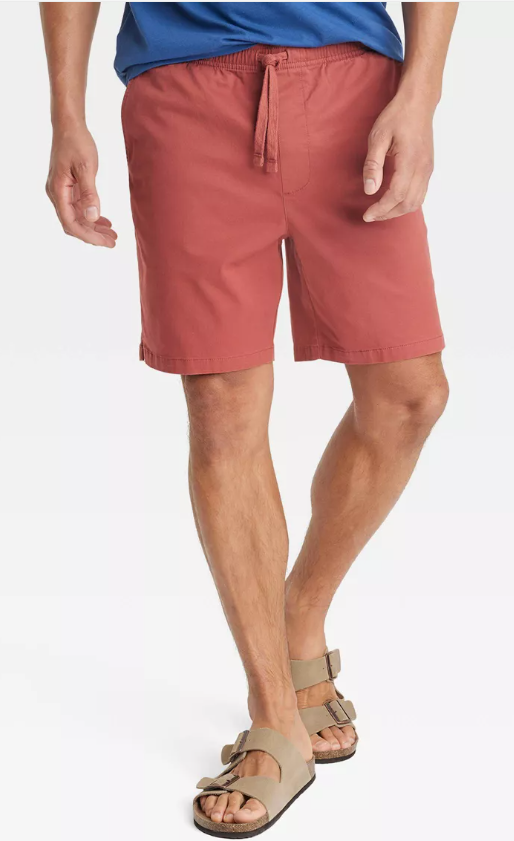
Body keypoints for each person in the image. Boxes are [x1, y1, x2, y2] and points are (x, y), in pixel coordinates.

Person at [41, 2, 458, 836]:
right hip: (184, 94)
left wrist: (421, 95)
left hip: (352, 87)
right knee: (224, 408)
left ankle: (299, 614)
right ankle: (275, 713)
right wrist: (66, 115)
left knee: (410, 393)